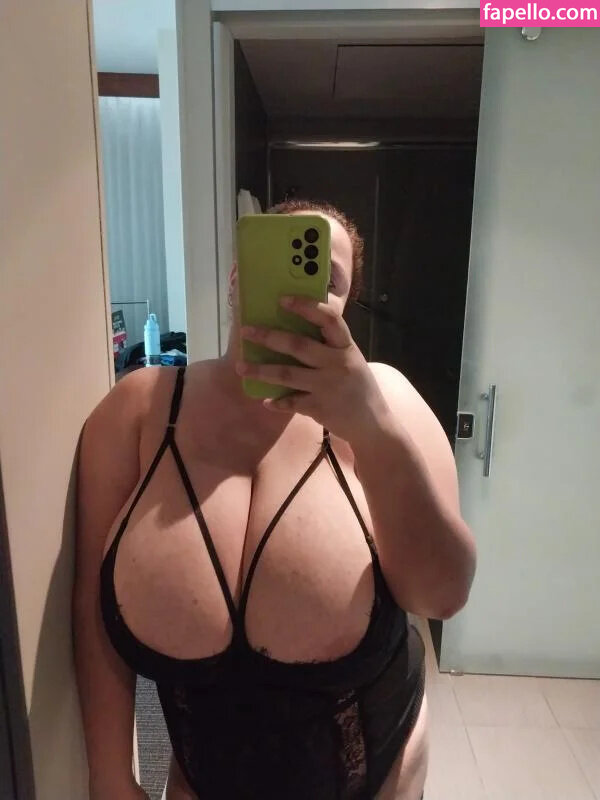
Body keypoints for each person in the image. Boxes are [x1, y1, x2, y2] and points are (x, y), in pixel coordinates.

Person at [73, 199, 476, 800]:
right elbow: (90, 603)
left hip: (378, 780)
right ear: (238, 277)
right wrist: (109, 773)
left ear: (345, 306)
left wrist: (371, 429)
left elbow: (442, 595)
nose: (301, 292)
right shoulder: (138, 411)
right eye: (278, 264)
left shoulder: (388, 399)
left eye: (327, 280)